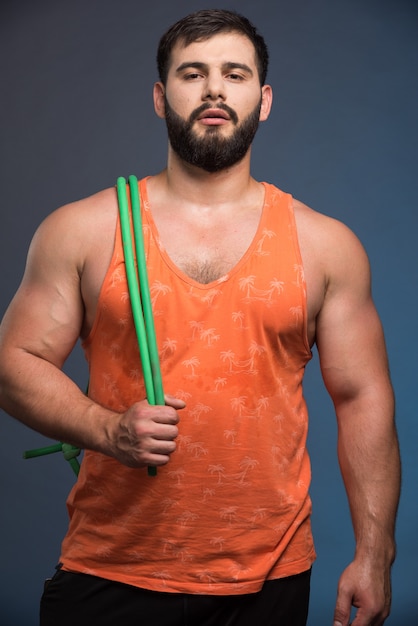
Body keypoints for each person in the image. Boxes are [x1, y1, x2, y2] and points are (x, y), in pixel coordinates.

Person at [0, 9, 400, 626]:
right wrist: (108, 431)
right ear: (162, 98)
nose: (214, 89)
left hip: (270, 577)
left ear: (262, 101)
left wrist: (375, 554)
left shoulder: (325, 245)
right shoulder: (84, 229)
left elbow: (362, 397)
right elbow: (11, 363)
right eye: (193, 73)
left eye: (234, 74)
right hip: (112, 568)